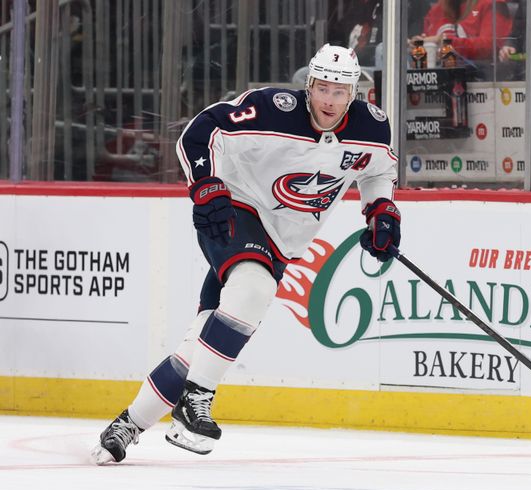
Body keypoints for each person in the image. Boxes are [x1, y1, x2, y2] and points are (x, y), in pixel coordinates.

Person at [90, 44, 402, 464]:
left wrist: (381, 212)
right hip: (235, 211)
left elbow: (379, 172)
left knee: (199, 348)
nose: (329, 99)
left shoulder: (371, 127)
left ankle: (127, 425)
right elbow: (200, 132)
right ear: (309, 85)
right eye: (322, 88)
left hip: (282, 244)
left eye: (339, 91)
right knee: (254, 289)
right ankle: (196, 401)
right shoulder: (272, 109)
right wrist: (207, 185)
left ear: (353, 94)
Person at [410, 0, 513, 61]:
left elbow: (490, 47)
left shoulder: (493, 4)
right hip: (436, 80)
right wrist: (417, 44)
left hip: (477, 80)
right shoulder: (437, 9)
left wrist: (445, 40)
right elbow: (428, 43)